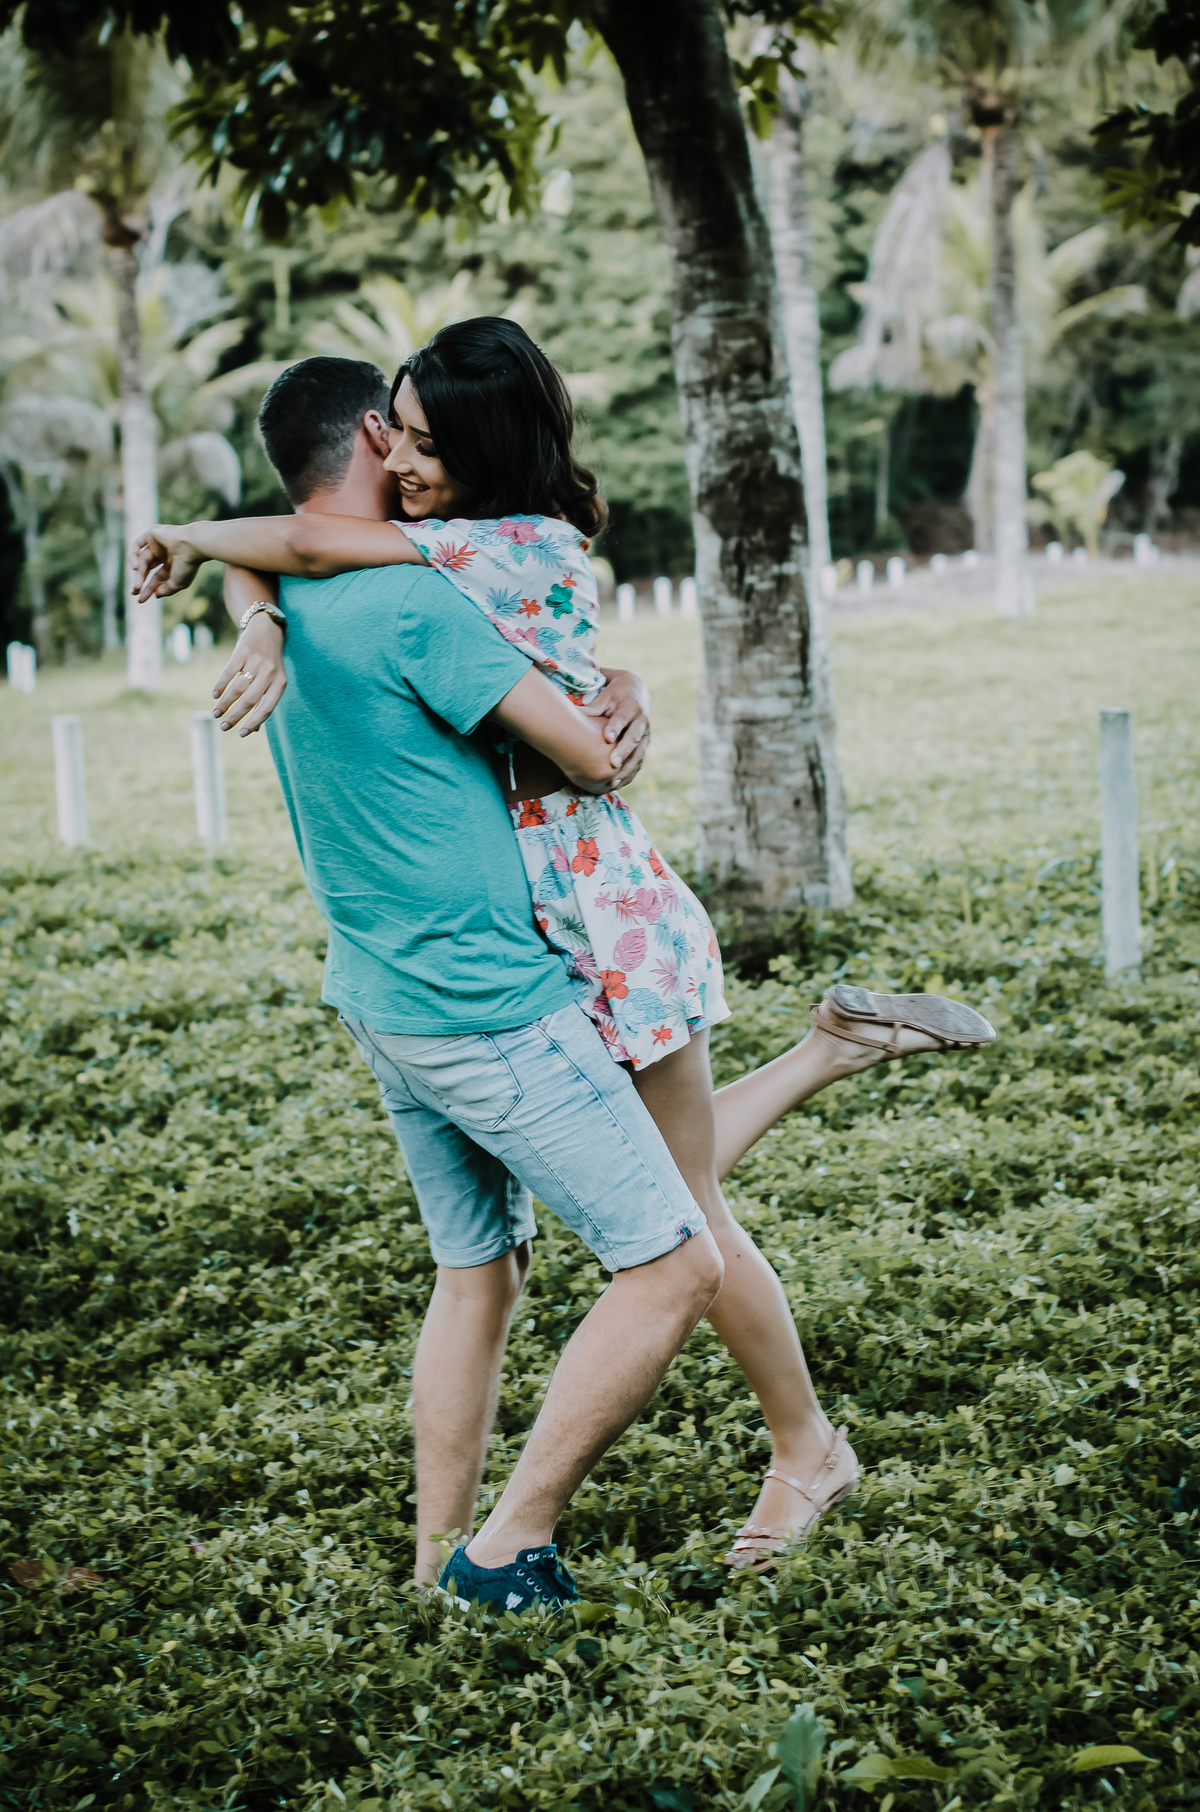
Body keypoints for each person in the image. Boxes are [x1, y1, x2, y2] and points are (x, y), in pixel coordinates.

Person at [133, 342, 995, 1578]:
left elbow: (318, 555)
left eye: (432, 440)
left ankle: (801, 1449)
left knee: (673, 1208)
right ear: (372, 435)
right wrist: (246, 592)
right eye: (403, 436)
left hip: (588, 914)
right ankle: (826, 1068)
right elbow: (309, 551)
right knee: (676, 1195)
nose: (411, 457)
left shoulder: (443, 563)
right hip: (543, 925)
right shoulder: (388, 574)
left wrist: (221, 562)